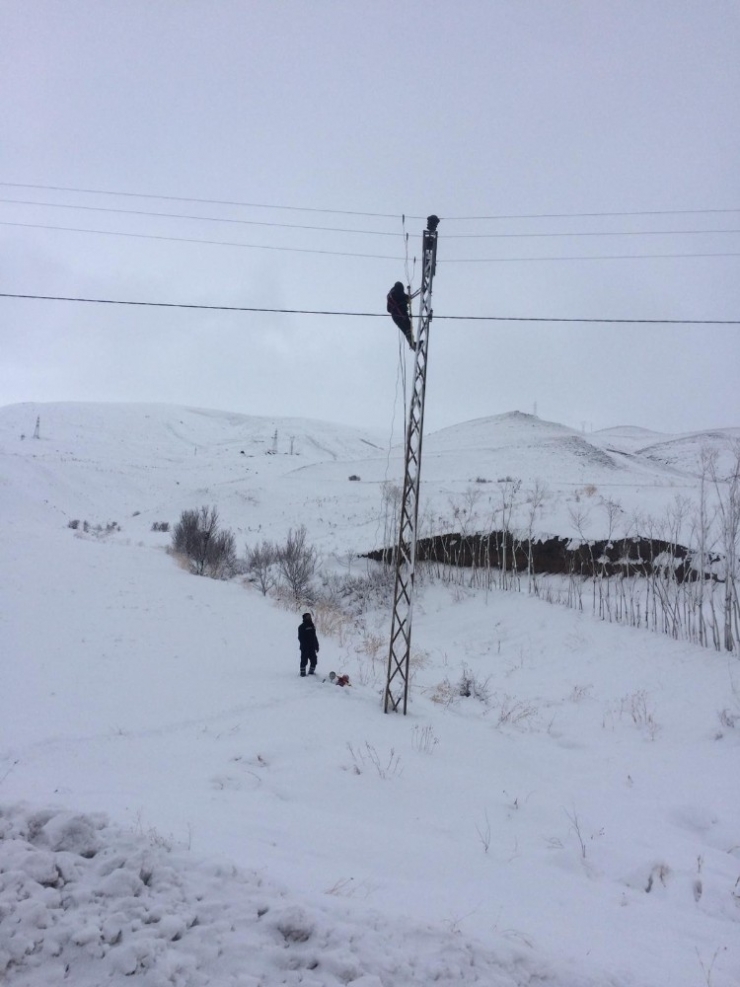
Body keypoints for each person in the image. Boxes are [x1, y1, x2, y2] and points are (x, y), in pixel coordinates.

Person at [386, 281, 416, 350]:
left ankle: (412, 344)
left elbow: (388, 309)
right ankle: (412, 344)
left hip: (396, 316)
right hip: (400, 314)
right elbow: (401, 296)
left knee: (407, 329)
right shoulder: (395, 293)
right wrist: (406, 298)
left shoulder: (391, 294)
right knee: (407, 327)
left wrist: (406, 299)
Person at [298, 612, 319, 676]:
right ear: (304, 618)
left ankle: (311, 673)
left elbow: (314, 636)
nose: (309, 618)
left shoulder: (312, 626)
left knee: (314, 660)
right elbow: (300, 638)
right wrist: (304, 646)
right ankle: (302, 673)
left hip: (312, 647)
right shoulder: (301, 627)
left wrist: (316, 645)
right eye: (307, 617)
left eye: (310, 617)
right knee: (304, 660)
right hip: (305, 647)